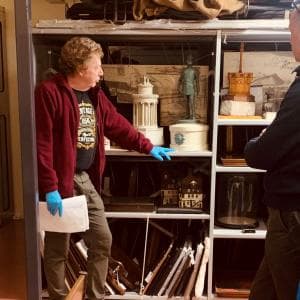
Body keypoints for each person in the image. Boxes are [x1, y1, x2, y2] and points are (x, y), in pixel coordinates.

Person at [35, 36, 174, 300]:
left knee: (102, 239)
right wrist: (50, 187)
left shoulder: (94, 95)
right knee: (57, 247)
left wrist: (148, 147)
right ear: (80, 68)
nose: (101, 71)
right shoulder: (48, 92)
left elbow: (118, 125)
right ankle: (57, 296)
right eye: (97, 66)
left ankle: (94, 296)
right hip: (59, 181)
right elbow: (42, 143)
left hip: (83, 179)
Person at [244, 4, 300, 300]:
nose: (292, 40)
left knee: (286, 289)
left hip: (292, 213)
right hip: (288, 211)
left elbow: (261, 154)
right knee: (265, 290)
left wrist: (255, 143)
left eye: (292, 31)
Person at [178, 54, 199, 120]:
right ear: (187, 61)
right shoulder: (184, 71)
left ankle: (192, 115)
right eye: (188, 60)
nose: (189, 62)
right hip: (185, 88)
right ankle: (188, 115)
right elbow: (180, 80)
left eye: (190, 60)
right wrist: (178, 87)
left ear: (192, 62)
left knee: (191, 102)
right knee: (186, 103)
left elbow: (197, 81)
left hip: (192, 89)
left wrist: (198, 89)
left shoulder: (194, 71)